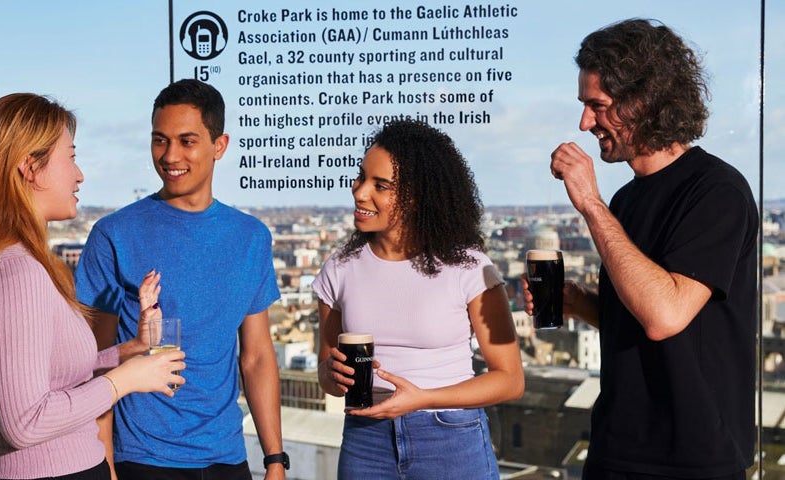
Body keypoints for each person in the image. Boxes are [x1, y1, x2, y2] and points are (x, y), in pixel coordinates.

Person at [526, 18, 757, 479]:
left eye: (598, 106)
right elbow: (636, 317)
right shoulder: (627, 200)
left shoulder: (716, 192)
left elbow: (664, 315)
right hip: (616, 450)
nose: (585, 122)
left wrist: (590, 203)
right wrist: (581, 306)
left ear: (644, 100)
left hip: (692, 459)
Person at [0, 93, 186, 480]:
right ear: (30, 167)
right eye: (71, 156)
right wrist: (125, 381)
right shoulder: (15, 274)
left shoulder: (19, 262)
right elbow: (24, 423)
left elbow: (52, 374)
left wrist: (131, 349)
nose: (80, 174)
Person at [74, 79, 286, 480]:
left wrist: (274, 459)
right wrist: (106, 468)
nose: (170, 155)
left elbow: (256, 356)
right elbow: (96, 362)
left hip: (227, 456)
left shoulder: (251, 237)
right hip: (142, 458)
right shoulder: (114, 234)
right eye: (160, 140)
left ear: (219, 146)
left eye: (187, 141)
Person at [314, 119, 525, 480]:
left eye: (380, 185)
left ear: (416, 197)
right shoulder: (339, 268)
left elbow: (510, 380)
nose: (360, 192)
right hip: (366, 442)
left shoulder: (470, 268)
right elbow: (327, 375)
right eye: (361, 177)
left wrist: (424, 398)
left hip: (450, 438)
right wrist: (334, 375)